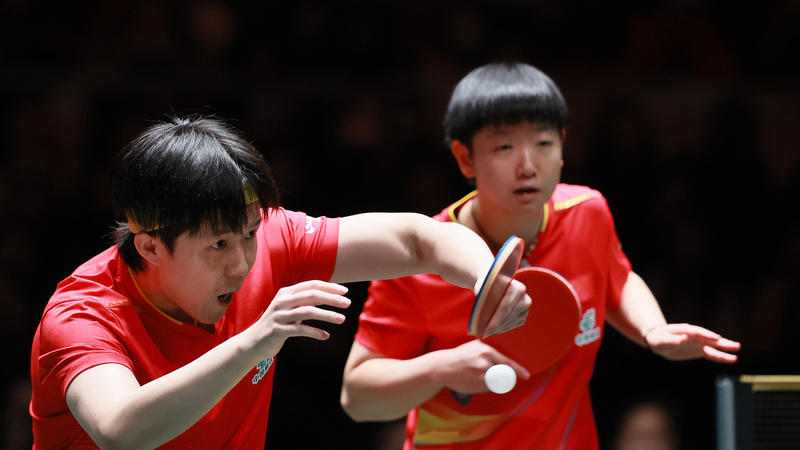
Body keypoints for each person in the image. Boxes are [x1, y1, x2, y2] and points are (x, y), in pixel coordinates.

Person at [29, 115, 531, 450]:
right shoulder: (81, 316)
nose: (243, 262)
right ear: (151, 247)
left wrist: (486, 278)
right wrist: (256, 341)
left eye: (249, 234)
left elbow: (418, 239)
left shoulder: (269, 240)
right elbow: (121, 431)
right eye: (219, 245)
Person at [340, 62, 741, 449]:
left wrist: (651, 329)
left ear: (563, 147)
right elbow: (357, 398)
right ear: (464, 157)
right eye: (504, 146)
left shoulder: (588, 212)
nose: (528, 165)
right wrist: (441, 368)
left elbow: (616, 277)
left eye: (544, 143)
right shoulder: (419, 263)